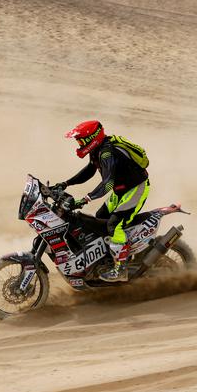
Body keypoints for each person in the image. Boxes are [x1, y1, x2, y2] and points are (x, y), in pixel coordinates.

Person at [54, 120, 149, 282]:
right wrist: (66, 184)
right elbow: (90, 171)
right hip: (121, 191)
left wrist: (85, 199)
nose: (79, 144)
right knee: (100, 218)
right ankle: (104, 259)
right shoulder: (97, 150)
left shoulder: (107, 153)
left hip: (135, 188)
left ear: (93, 138)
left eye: (81, 140)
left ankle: (121, 268)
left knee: (114, 224)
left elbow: (108, 183)